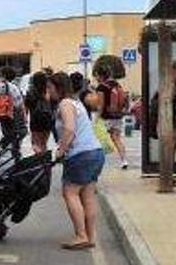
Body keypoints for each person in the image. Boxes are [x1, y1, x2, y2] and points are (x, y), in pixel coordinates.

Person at [47, 72, 105, 250]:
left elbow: (70, 130)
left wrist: (61, 151)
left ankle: (80, 235)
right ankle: (90, 235)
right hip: (95, 152)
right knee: (87, 195)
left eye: (50, 88)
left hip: (80, 155)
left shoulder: (64, 104)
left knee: (70, 193)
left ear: (59, 87)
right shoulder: (77, 102)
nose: (48, 92)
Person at [0, 66, 27, 153]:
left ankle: (7, 157)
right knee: (14, 141)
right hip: (17, 115)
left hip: (9, 116)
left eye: (0, 74)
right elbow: (21, 104)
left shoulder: (3, 85)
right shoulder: (15, 86)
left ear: (4, 75)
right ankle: (14, 158)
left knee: (9, 138)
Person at [95, 69, 130, 169]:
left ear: (101, 76)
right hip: (117, 116)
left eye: (97, 76)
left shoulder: (101, 87)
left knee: (99, 139)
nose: (96, 78)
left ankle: (98, 162)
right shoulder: (117, 85)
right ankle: (124, 161)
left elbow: (101, 105)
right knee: (117, 139)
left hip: (106, 118)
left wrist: (97, 118)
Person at [24, 72, 52, 154]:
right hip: (47, 119)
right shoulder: (48, 91)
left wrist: (25, 119)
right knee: (44, 143)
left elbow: (26, 108)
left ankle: (39, 159)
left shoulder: (30, 92)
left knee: (36, 144)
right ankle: (45, 160)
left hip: (35, 120)